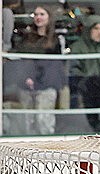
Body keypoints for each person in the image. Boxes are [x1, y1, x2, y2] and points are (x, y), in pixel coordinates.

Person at [10, 4, 66, 135]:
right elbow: (21, 61)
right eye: (35, 14)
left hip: (46, 85)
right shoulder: (26, 39)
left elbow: (55, 65)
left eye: (41, 14)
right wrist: (27, 78)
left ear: (49, 17)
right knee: (26, 123)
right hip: (26, 85)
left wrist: (37, 79)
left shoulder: (55, 40)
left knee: (44, 122)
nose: (38, 17)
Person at [68, 17, 100, 133]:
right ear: (88, 30)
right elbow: (73, 68)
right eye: (96, 28)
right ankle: (95, 126)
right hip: (87, 84)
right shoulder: (78, 47)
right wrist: (83, 82)